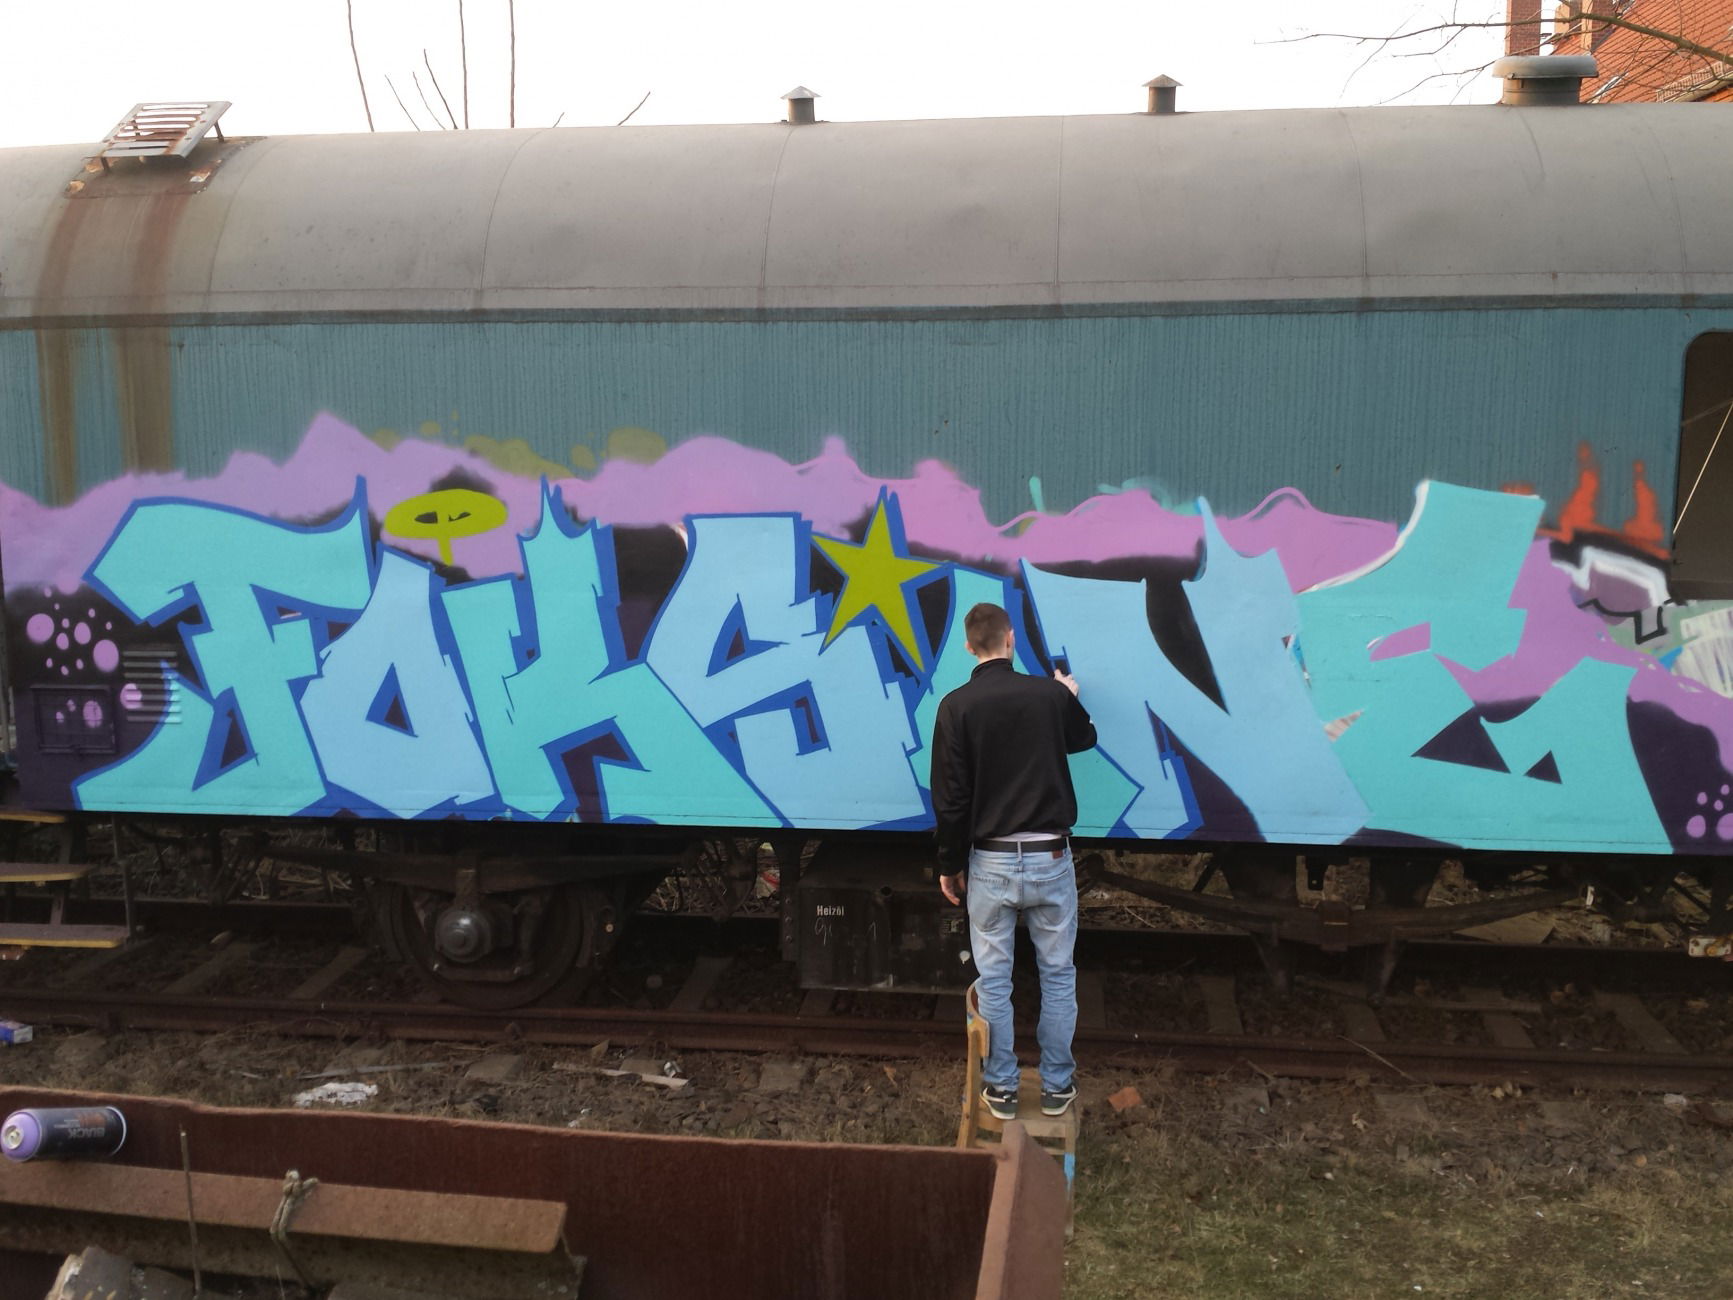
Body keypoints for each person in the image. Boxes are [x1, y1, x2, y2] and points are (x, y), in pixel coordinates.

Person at [930, 602, 1097, 1120]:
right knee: (1058, 974)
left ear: (968, 647)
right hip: (1050, 856)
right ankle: (1057, 1086)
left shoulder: (955, 707)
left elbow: (951, 800)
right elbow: (1084, 738)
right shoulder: (1048, 695)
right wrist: (1067, 697)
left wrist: (949, 862)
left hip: (991, 861)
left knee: (995, 981)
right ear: (1010, 639)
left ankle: (1001, 1088)